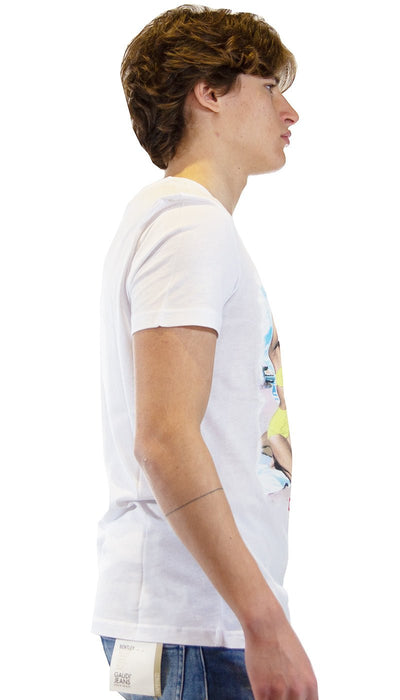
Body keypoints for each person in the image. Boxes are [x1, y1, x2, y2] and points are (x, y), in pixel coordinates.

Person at [91, 5, 319, 699]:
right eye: (270, 87)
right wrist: (264, 623)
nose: (290, 111)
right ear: (210, 93)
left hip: (198, 626)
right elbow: (164, 439)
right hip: (197, 628)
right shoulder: (187, 226)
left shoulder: (182, 224)